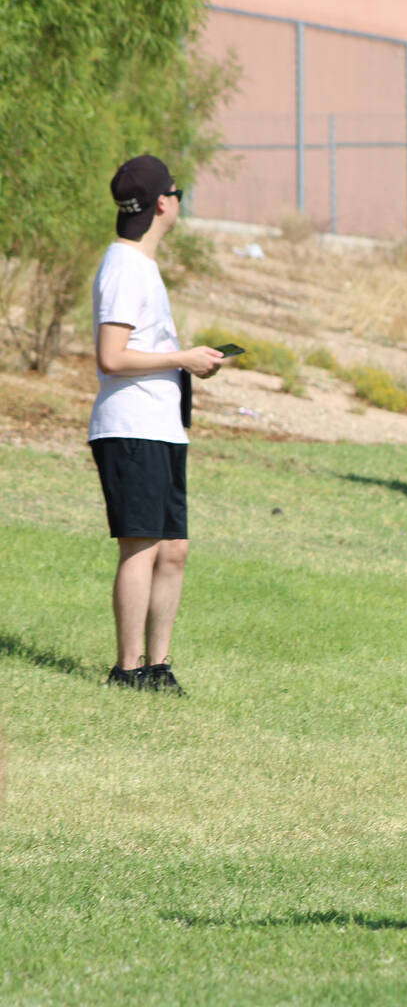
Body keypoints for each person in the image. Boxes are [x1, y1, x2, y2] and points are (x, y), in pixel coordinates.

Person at [88, 154, 228, 694]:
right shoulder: (125, 266)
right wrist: (180, 357)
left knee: (173, 549)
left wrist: (191, 362)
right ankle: (127, 670)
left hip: (161, 426)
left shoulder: (139, 265)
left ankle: (158, 667)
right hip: (130, 427)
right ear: (162, 203)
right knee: (141, 547)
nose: (178, 200)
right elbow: (112, 357)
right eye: (177, 191)